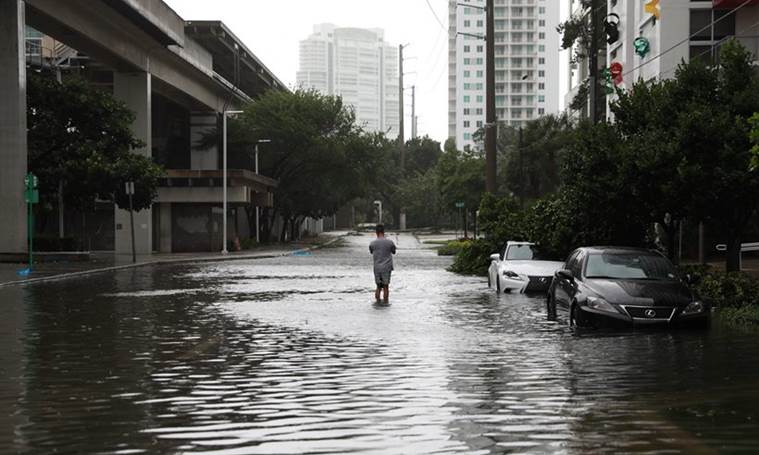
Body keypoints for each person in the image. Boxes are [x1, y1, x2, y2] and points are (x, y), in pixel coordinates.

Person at [369, 224, 396, 303]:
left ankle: (377, 302)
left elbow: (371, 251)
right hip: (386, 268)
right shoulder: (390, 242)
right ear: (384, 232)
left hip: (377, 268)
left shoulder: (372, 243)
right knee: (386, 287)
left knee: (378, 287)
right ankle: (385, 302)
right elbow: (393, 251)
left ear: (376, 232)